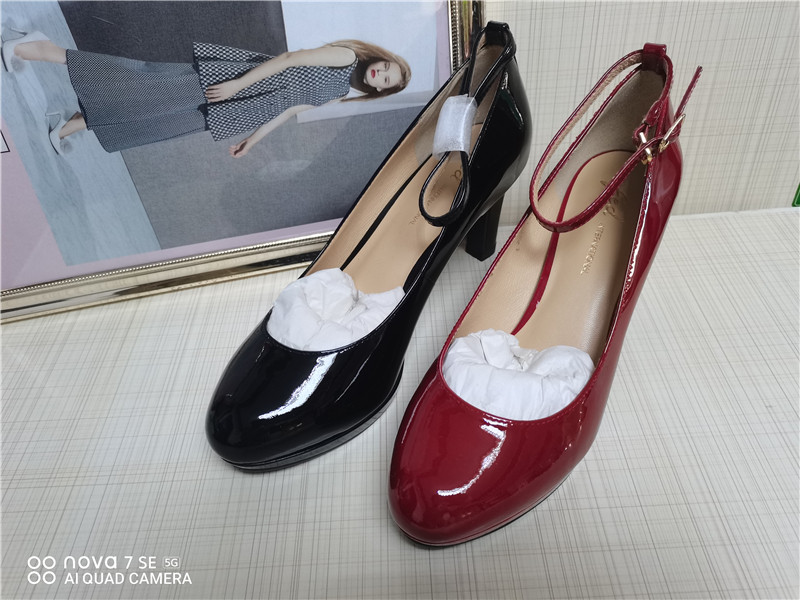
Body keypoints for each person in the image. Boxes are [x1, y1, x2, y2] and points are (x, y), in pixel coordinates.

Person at [4, 33, 411, 157]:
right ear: (381, 58)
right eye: (386, 69)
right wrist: (237, 84)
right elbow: (289, 59)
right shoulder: (344, 57)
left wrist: (253, 139)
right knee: (143, 83)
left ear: (377, 91)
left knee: (157, 120)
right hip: (234, 81)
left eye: (385, 83)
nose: (380, 76)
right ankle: (43, 49)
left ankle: (73, 124)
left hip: (242, 111)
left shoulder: (341, 92)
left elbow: (290, 110)